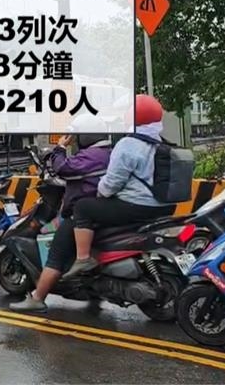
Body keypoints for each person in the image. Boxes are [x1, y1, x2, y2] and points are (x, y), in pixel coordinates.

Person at [63, 94, 178, 278]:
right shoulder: (161, 143)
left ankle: (83, 258)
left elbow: (110, 185)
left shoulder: (128, 144)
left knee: (83, 207)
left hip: (137, 207)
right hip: (165, 208)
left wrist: (100, 192)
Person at [9, 115, 113, 312]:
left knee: (56, 255)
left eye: (76, 135)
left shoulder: (92, 156)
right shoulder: (107, 153)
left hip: (82, 214)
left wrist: (60, 148)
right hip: (103, 209)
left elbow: (64, 168)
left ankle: (38, 298)